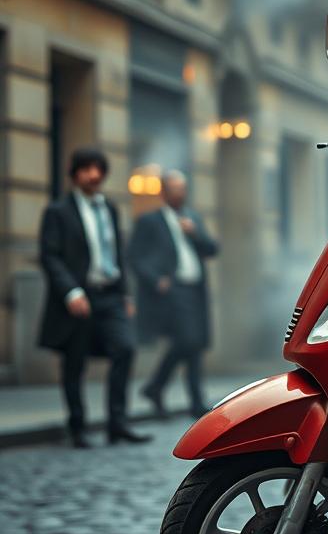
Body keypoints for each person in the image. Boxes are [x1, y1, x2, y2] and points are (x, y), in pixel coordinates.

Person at [37, 146, 152, 448]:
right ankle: (77, 426)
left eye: (98, 169)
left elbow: (118, 253)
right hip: (78, 296)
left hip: (110, 294)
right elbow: (49, 255)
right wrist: (70, 292)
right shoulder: (58, 212)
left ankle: (118, 423)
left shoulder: (109, 209)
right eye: (87, 169)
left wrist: (125, 292)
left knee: (125, 349)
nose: (94, 175)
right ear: (75, 174)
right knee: (74, 362)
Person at [128, 169, 219, 418]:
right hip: (172, 292)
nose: (181, 193)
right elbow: (135, 256)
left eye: (183, 188)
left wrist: (195, 233)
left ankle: (162, 390)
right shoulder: (149, 221)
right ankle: (177, 394)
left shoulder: (192, 218)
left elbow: (212, 249)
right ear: (164, 192)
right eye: (175, 188)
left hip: (195, 291)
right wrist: (156, 279)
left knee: (194, 345)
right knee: (189, 340)